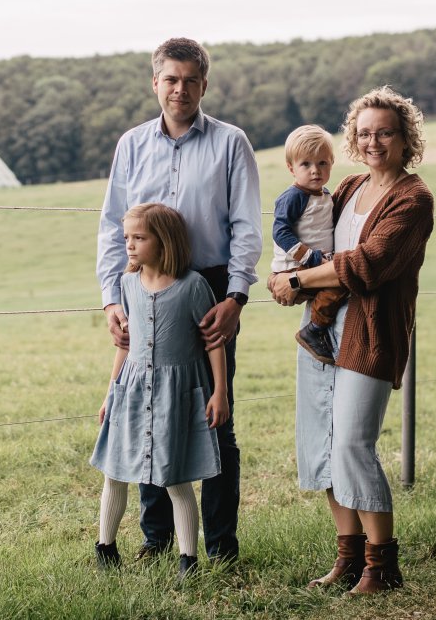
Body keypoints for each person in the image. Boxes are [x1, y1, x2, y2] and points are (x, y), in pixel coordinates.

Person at [96, 37, 262, 563]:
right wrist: (110, 300)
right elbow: (109, 225)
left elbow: (246, 227)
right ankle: (156, 539)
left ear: (204, 85)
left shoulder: (232, 143)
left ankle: (220, 546)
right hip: (141, 286)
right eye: (171, 79)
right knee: (148, 407)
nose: (180, 90)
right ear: (155, 83)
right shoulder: (131, 145)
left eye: (191, 80)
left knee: (214, 416)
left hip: (209, 287)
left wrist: (235, 297)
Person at [269, 86, 434, 594]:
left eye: (385, 132)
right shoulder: (346, 188)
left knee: (352, 445)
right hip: (322, 332)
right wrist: (287, 277)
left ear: (406, 139)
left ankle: (383, 567)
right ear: (353, 139)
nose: (373, 142)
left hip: (372, 333)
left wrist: (298, 281)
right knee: (321, 445)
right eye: (364, 133)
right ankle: (349, 557)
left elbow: (368, 266)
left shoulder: (413, 198)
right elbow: (313, 244)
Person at [90, 203, 230, 578]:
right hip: (131, 391)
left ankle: (189, 559)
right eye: (126, 239)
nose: (130, 246)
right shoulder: (127, 285)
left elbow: (213, 343)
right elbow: (124, 344)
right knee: (114, 471)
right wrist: (110, 391)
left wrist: (220, 393)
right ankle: (105, 547)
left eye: (139, 238)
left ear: (163, 240)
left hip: (174, 395)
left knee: (176, 479)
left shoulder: (192, 286)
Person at [270, 124, 348, 364]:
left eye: (322, 163)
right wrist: (312, 258)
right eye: (306, 164)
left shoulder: (324, 194)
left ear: (332, 162)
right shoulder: (294, 196)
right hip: (294, 266)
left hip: (315, 261)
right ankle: (315, 329)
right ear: (291, 168)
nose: (315, 171)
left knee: (339, 280)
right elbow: (280, 232)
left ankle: (317, 325)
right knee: (339, 283)